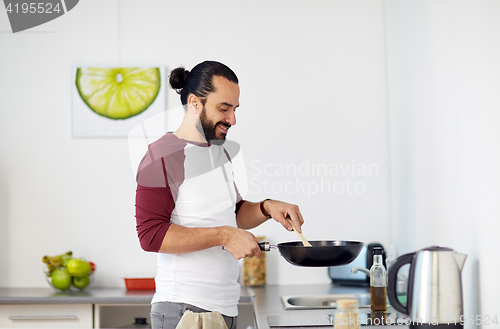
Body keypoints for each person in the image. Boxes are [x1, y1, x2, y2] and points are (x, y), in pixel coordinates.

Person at [135, 60, 304, 329]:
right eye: (223, 108)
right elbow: (150, 234)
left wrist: (266, 207)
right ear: (194, 103)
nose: (232, 119)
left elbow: (232, 214)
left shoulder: (220, 153)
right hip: (185, 311)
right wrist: (224, 235)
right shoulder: (162, 155)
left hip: (223, 309)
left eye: (235, 109)